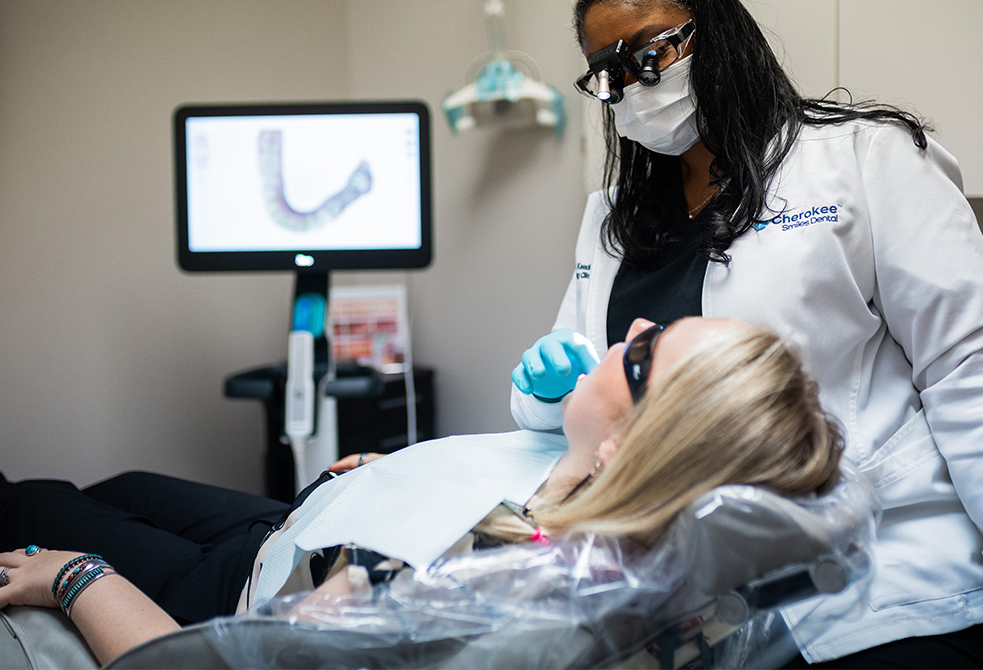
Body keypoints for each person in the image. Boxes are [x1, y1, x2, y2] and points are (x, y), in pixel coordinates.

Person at [511, 0, 983, 668]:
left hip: (888, 580)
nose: (635, 84)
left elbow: (974, 371)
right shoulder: (613, 216)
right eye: (610, 73)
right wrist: (545, 391)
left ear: (715, 31)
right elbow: (581, 400)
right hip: (698, 606)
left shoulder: (863, 159)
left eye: (651, 52)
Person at [0, 316, 843, 666]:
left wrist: (76, 578)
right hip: (309, 520)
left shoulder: (454, 589)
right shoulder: (629, 531)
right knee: (123, 484)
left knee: (35, 503)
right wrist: (387, 480)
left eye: (644, 355)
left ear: (628, 452)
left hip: (242, 586)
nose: (630, 327)